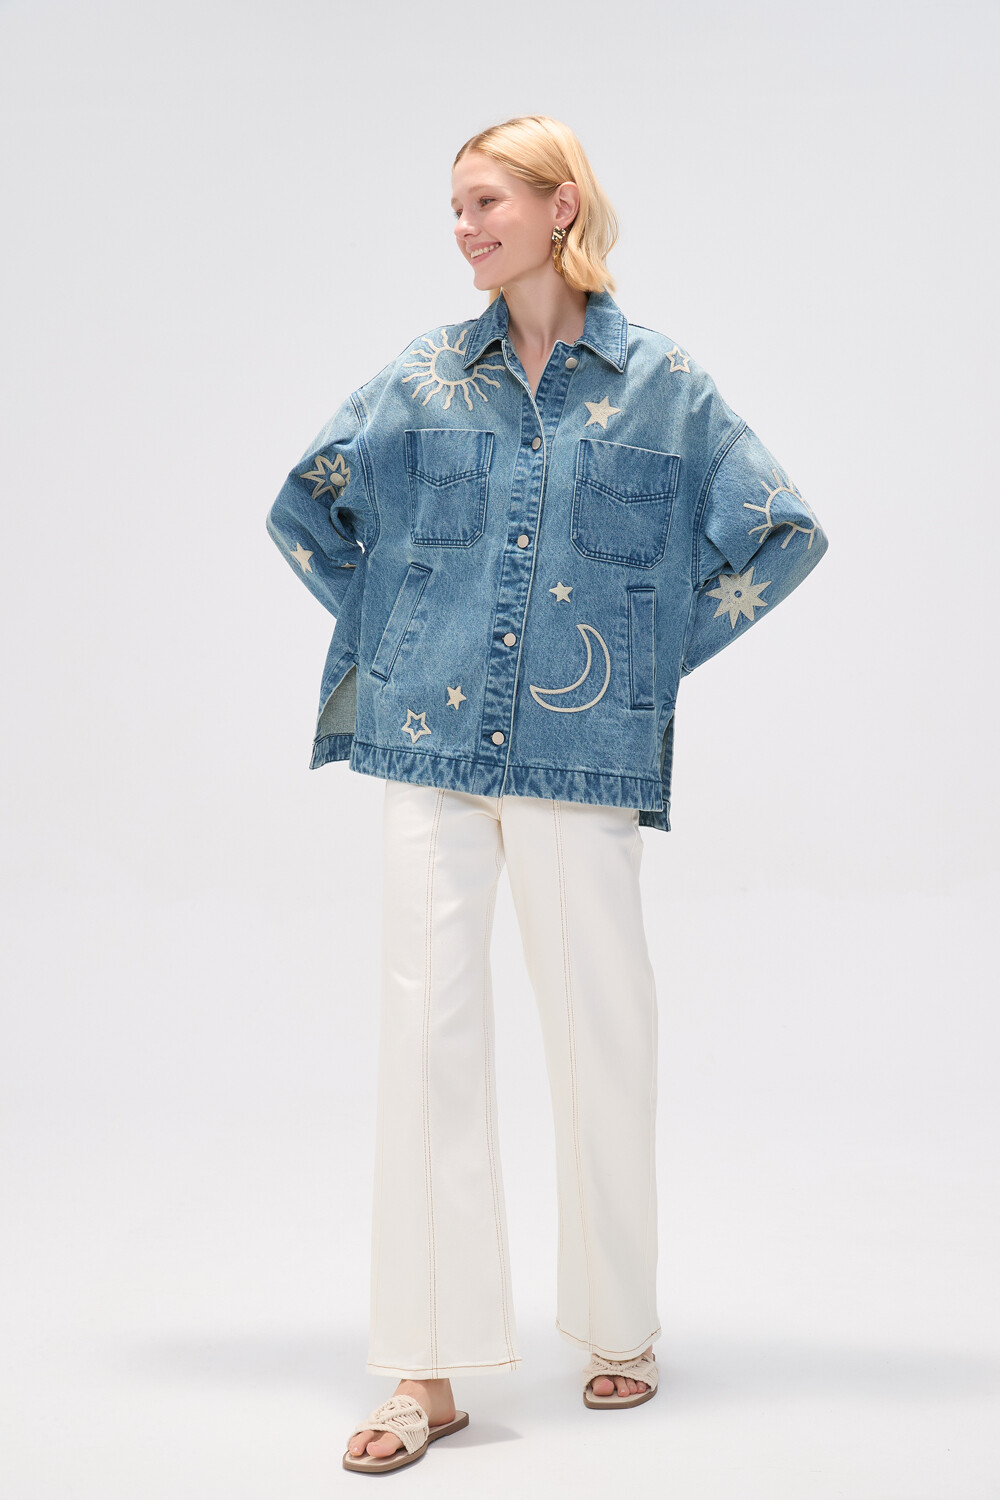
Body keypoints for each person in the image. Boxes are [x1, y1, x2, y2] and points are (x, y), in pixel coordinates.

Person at [265, 114, 829, 1475]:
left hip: (585, 757)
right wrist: (402, 641)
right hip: (430, 751)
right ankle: (425, 1369)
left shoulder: (662, 386)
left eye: (485, 202)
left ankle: (618, 1324)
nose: (463, 228)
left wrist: (644, 660)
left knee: (600, 1030)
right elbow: (307, 506)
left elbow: (779, 530)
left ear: (560, 203)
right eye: (454, 208)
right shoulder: (422, 379)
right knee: (425, 1040)